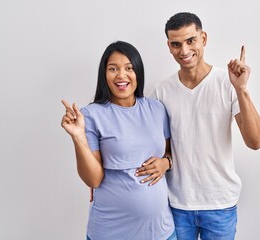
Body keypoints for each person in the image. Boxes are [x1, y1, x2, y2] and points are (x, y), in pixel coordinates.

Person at [142, 12, 260, 240]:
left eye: (191, 41)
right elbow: (148, 145)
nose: (185, 51)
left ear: (203, 38)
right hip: (177, 204)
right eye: (177, 44)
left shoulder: (227, 83)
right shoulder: (160, 92)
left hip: (220, 205)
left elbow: (255, 141)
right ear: (169, 46)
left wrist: (242, 89)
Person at [61, 41, 176, 240]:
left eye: (129, 68)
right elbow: (93, 179)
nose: (121, 75)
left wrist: (166, 163)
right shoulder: (91, 115)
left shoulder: (156, 109)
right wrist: (78, 137)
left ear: (138, 72)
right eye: (113, 69)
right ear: (104, 75)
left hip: (162, 231)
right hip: (111, 232)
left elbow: (170, 151)